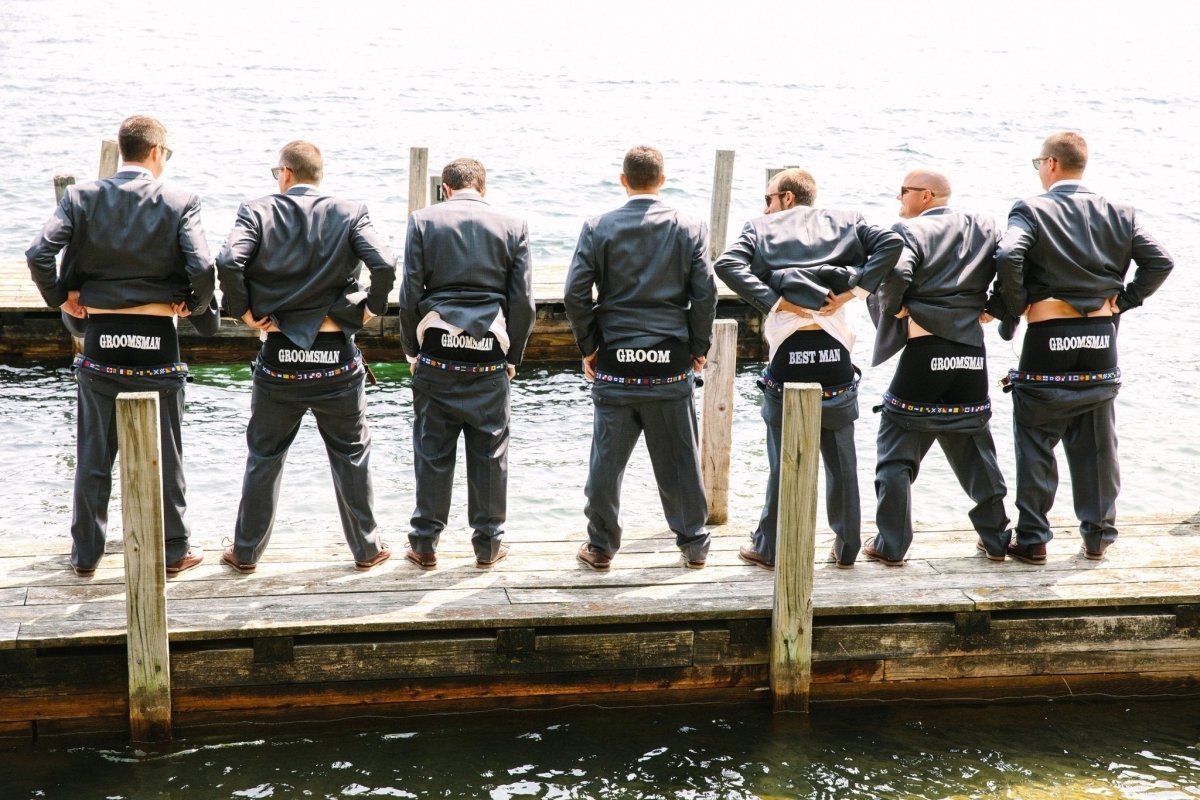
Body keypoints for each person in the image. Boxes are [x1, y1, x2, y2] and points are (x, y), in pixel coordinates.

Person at [25, 114, 219, 578]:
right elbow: (203, 267)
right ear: (155, 152)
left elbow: (38, 253)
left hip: (101, 342)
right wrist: (194, 305)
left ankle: (85, 555)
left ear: (123, 149)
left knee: (94, 456)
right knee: (167, 454)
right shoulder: (181, 200)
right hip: (158, 344)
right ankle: (174, 550)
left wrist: (62, 299)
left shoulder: (81, 197)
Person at [216, 140, 395, 572]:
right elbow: (386, 264)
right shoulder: (350, 212)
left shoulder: (257, 211)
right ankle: (367, 550)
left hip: (280, 359)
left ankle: (245, 553)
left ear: (286, 173)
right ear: (319, 174)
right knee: (351, 455)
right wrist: (371, 309)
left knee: (265, 457)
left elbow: (228, 261)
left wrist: (243, 312)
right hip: (336, 359)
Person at [995, 131, 1173, 564]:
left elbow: (1008, 255)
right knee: (1097, 444)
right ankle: (1097, 537)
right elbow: (1160, 261)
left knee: (1036, 438)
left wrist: (1015, 308)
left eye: (1038, 163)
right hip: (1100, 338)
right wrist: (1124, 302)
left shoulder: (1031, 209)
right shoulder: (1120, 212)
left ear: (1051, 164)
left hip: (1048, 338)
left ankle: (1033, 538)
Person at [715, 168, 902, 570]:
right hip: (834, 349)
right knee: (842, 461)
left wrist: (774, 301)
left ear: (787, 197)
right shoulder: (848, 220)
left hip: (789, 347)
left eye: (768, 199)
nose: (765, 208)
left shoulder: (759, 228)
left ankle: (769, 547)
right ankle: (847, 548)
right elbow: (892, 242)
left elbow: (726, 264)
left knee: (782, 460)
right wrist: (856, 291)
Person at [564, 145, 717, 571]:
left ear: (623, 180)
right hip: (669, 363)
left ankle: (600, 547)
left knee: (606, 464)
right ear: (662, 180)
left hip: (615, 360)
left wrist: (590, 346)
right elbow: (705, 293)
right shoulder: (690, 226)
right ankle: (694, 543)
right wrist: (698, 347)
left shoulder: (598, 227)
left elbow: (575, 294)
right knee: (680, 462)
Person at [866, 169, 1009, 565]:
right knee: (975, 447)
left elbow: (896, 272)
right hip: (971, 355)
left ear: (926, 195)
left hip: (925, 354)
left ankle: (891, 545)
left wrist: (894, 307)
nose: (899, 199)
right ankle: (997, 539)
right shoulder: (984, 225)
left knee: (896, 451)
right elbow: (1014, 261)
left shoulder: (908, 231)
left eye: (903, 191)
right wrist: (996, 308)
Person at [399, 158, 534, 570]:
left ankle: (425, 545)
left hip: (437, 351)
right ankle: (488, 546)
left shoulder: (423, 221)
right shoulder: (513, 225)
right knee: (491, 453)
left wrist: (412, 351)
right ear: (483, 187)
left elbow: (409, 294)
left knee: (432, 452)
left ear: (446, 189)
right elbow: (523, 303)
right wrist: (512, 357)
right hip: (489, 352)